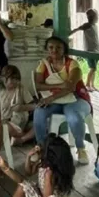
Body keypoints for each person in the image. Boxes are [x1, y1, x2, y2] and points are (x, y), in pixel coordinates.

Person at [33, 36, 92, 164]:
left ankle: (81, 147)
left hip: (76, 99)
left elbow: (71, 87)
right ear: (47, 49)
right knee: (39, 112)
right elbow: (37, 85)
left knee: (73, 116)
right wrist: (60, 85)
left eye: (58, 47)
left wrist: (51, 97)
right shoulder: (43, 64)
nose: (54, 50)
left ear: (64, 49)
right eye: (51, 47)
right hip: (55, 102)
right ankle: (41, 148)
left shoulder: (72, 64)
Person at [0, 66, 36, 146]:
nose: (15, 81)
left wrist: (22, 107)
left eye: (17, 79)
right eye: (12, 78)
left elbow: (34, 106)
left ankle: (21, 139)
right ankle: (24, 137)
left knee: (40, 125)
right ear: (4, 78)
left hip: (20, 122)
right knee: (5, 127)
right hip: (4, 122)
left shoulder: (21, 89)